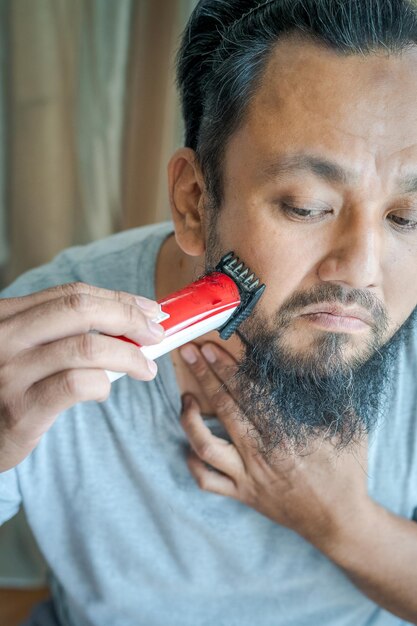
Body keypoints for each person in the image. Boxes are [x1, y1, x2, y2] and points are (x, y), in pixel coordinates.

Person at [1, 0, 417, 624]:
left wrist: (345, 525)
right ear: (195, 201)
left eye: (406, 217)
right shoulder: (37, 352)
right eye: (307, 206)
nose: (361, 270)